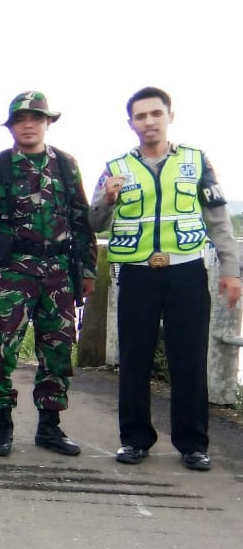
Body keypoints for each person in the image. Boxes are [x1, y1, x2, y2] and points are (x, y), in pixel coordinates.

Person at [89, 86, 242, 471]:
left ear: (169, 116)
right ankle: (135, 440)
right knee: (134, 359)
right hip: (138, 275)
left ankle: (193, 444)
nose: (149, 121)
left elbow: (219, 219)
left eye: (155, 113)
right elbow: (92, 223)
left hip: (187, 272)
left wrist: (230, 270)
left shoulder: (196, 161)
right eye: (140, 116)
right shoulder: (115, 167)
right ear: (131, 123)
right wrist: (107, 200)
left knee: (189, 360)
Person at [0, 92, 97, 457]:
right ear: (11, 126)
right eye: (20, 119)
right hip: (14, 270)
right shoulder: (0, 166)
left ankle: (50, 427)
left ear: (47, 123)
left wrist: (86, 271)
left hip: (59, 270)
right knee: (0, 349)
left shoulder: (66, 165)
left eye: (35, 118)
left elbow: (81, 221)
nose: (28, 124)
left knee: (57, 350)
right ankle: (0, 427)